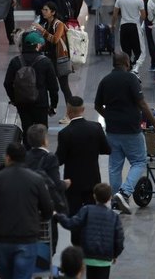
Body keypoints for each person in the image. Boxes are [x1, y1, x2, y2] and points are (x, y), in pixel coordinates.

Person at [95, 53, 155, 214]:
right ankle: (124, 193)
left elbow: (98, 106)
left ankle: (114, 201)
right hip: (131, 129)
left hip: (112, 131)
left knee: (115, 166)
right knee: (139, 161)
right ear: (127, 62)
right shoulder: (131, 79)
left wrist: (110, 117)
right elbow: (142, 103)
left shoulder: (105, 81)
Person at [0, 142, 53, 279]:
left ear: (7, 158)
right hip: (27, 237)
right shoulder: (36, 180)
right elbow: (47, 209)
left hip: (2, 237)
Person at [56, 96, 111, 246]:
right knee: (93, 213)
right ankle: (91, 242)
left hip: (72, 183)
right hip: (92, 180)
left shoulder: (65, 134)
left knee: (74, 216)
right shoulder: (96, 128)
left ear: (68, 111)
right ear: (83, 109)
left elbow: (59, 159)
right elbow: (106, 149)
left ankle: (77, 245)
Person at [55, 183, 125, 279]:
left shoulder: (87, 210)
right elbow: (119, 239)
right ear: (110, 198)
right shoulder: (114, 217)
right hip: (105, 259)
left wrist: (58, 215)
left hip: (88, 256)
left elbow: (71, 223)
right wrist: (115, 254)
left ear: (94, 196)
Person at [4, 32, 59, 140]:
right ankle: (40, 153)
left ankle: (28, 153)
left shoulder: (15, 61)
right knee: (41, 131)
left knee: (26, 129)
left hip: (22, 103)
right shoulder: (46, 62)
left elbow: (7, 83)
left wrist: (14, 99)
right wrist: (53, 105)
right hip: (41, 103)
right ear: (37, 45)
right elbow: (53, 87)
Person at [33, 2, 73, 123]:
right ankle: (50, 108)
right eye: (43, 9)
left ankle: (70, 115)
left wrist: (42, 31)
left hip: (60, 59)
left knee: (64, 87)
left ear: (53, 12)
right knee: (47, 85)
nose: (43, 11)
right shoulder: (48, 23)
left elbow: (55, 39)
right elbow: (49, 43)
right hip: (51, 59)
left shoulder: (59, 24)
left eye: (46, 10)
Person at [111, 0, 145, 76]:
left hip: (124, 27)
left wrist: (112, 25)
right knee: (139, 51)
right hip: (135, 27)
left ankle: (128, 68)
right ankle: (135, 68)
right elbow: (144, 16)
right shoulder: (139, 1)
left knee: (126, 51)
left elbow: (115, 15)